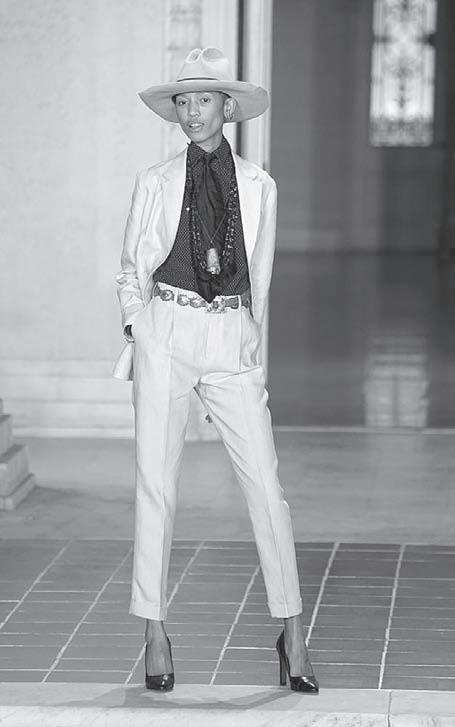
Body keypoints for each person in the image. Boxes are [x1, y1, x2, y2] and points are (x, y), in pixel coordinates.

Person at [113, 47, 318, 694]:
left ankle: (292, 630)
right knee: (155, 484)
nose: (192, 111)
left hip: (230, 335)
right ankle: (154, 630)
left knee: (265, 486)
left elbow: (261, 274)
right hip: (167, 330)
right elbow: (130, 269)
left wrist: (249, 335)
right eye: (183, 100)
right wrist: (139, 325)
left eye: (204, 99)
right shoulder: (154, 180)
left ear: (227, 107)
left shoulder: (259, 185)